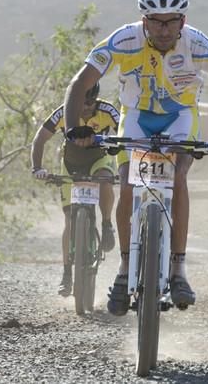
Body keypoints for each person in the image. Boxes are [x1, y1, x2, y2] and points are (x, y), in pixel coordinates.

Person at [63, 0, 208, 315]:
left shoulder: (198, 44)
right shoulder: (123, 40)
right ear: (144, 21)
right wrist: (73, 129)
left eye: (171, 21)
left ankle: (178, 269)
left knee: (178, 179)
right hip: (137, 116)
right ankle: (125, 271)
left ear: (183, 21)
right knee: (127, 183)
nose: (164, 29)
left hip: (180, 116)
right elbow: (80, 83)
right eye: (156, 21)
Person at [31, 82, 120, 296]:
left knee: (106, 179)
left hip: (100, 160)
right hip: (71, 165)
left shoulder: (108, 111)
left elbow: (127, 132)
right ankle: (67, 274)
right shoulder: (63, 112)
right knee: (70, 219)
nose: (86, 107)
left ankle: (107, 223)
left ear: (96, 98)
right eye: (82, 102)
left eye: (91, 102)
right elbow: (39, 139)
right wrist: (37, 167)